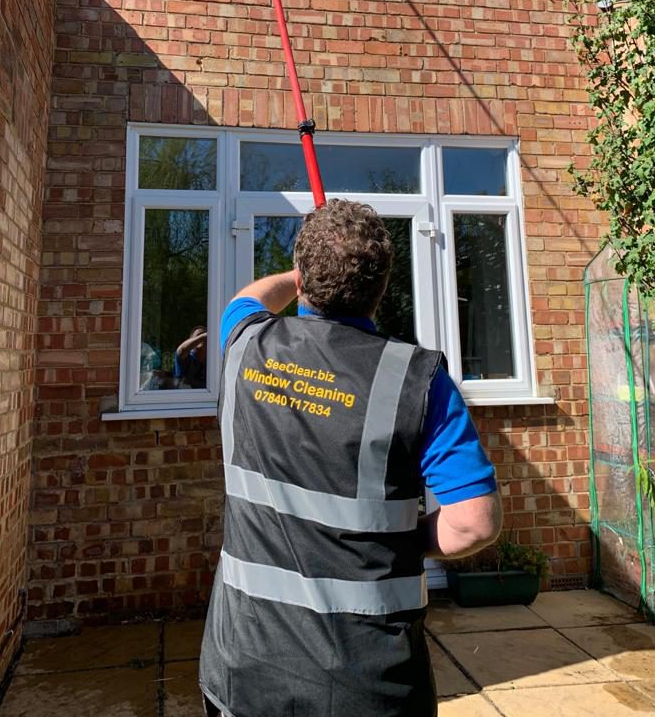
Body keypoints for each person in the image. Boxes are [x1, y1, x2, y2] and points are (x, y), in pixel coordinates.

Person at [199, 199, 502, 717]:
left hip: (244, 669)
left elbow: (247, 298)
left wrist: (302, 275)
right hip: (368, 682)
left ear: (302, 277)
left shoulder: (246, 347)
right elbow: (475, 524)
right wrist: (406, 543)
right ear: (382, 287)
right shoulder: (417, 379)